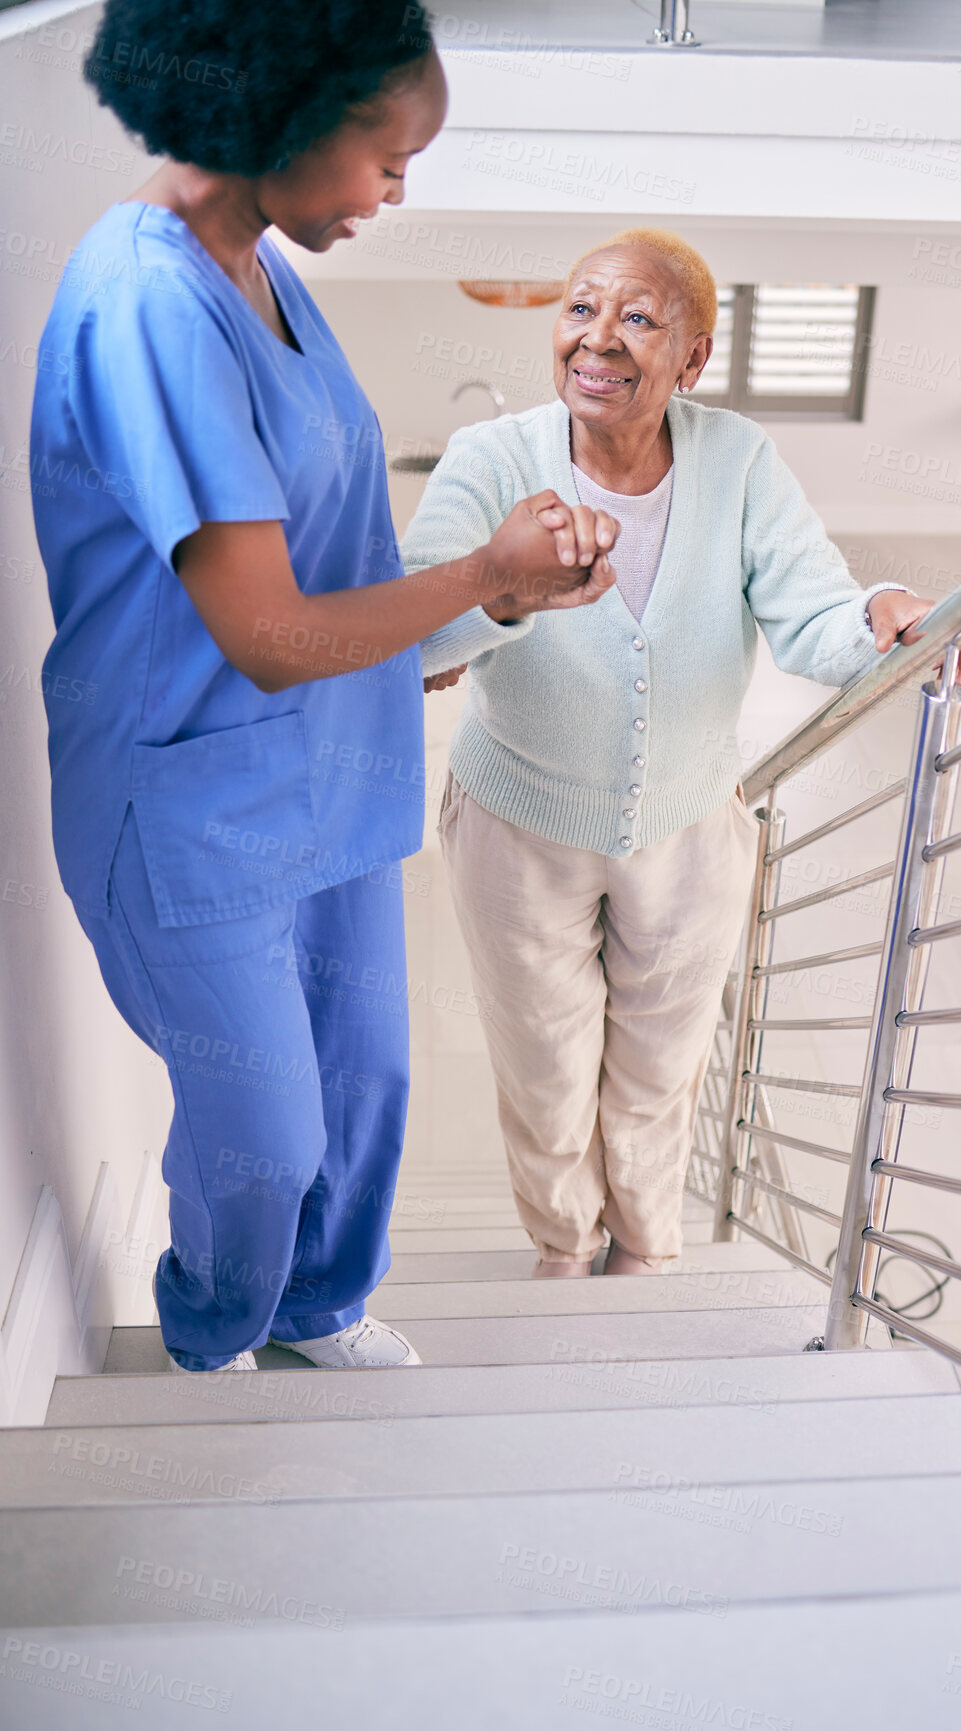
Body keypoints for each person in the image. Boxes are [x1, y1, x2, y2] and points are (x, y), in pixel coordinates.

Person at [30, 0, 619, 1372]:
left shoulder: (259, 267)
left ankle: (316, 1304)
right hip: (187, 803)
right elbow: (263, 629)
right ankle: (216, 1319)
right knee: (263, 1131)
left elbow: (329, 544)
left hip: (325, 773)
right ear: (273, 122)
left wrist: (504, 590)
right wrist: (479, 566)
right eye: (385, 156)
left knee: (361, 1090)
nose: (394, 192)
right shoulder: (148, 305)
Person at [406, 228, 961, 1278]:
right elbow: (419, 639)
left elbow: (813, 617)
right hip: (517, 826)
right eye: (580, 309)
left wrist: (880, 613)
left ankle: (646, 1252)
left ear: (691, 360)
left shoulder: (738, 460)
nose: (597, 340)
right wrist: (507, 587)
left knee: (663, 1072)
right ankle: (565, 1250)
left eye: (637, 319)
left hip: (690, 828)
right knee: (545, 1070)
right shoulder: (492, 460)